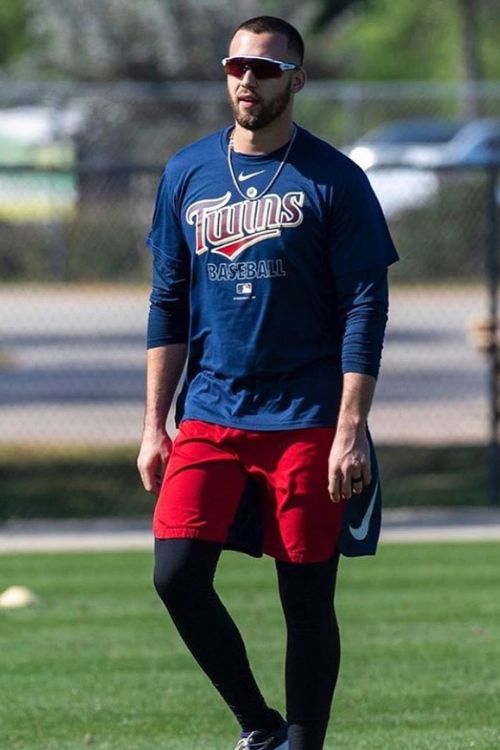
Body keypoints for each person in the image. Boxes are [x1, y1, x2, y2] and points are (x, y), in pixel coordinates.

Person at [137, 15, 398, 750]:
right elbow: (167, 303)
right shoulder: (187, 171)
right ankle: (259, 725)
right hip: (213, 412)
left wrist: (350, 430)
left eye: (265, 69)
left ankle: (304, 742)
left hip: (309, 417)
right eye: (236, 67)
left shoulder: (335, 179)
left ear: (297, 80)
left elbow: (365, 307)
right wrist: (155, 425)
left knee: (307, 598)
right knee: (176, 575)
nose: (246, 80)